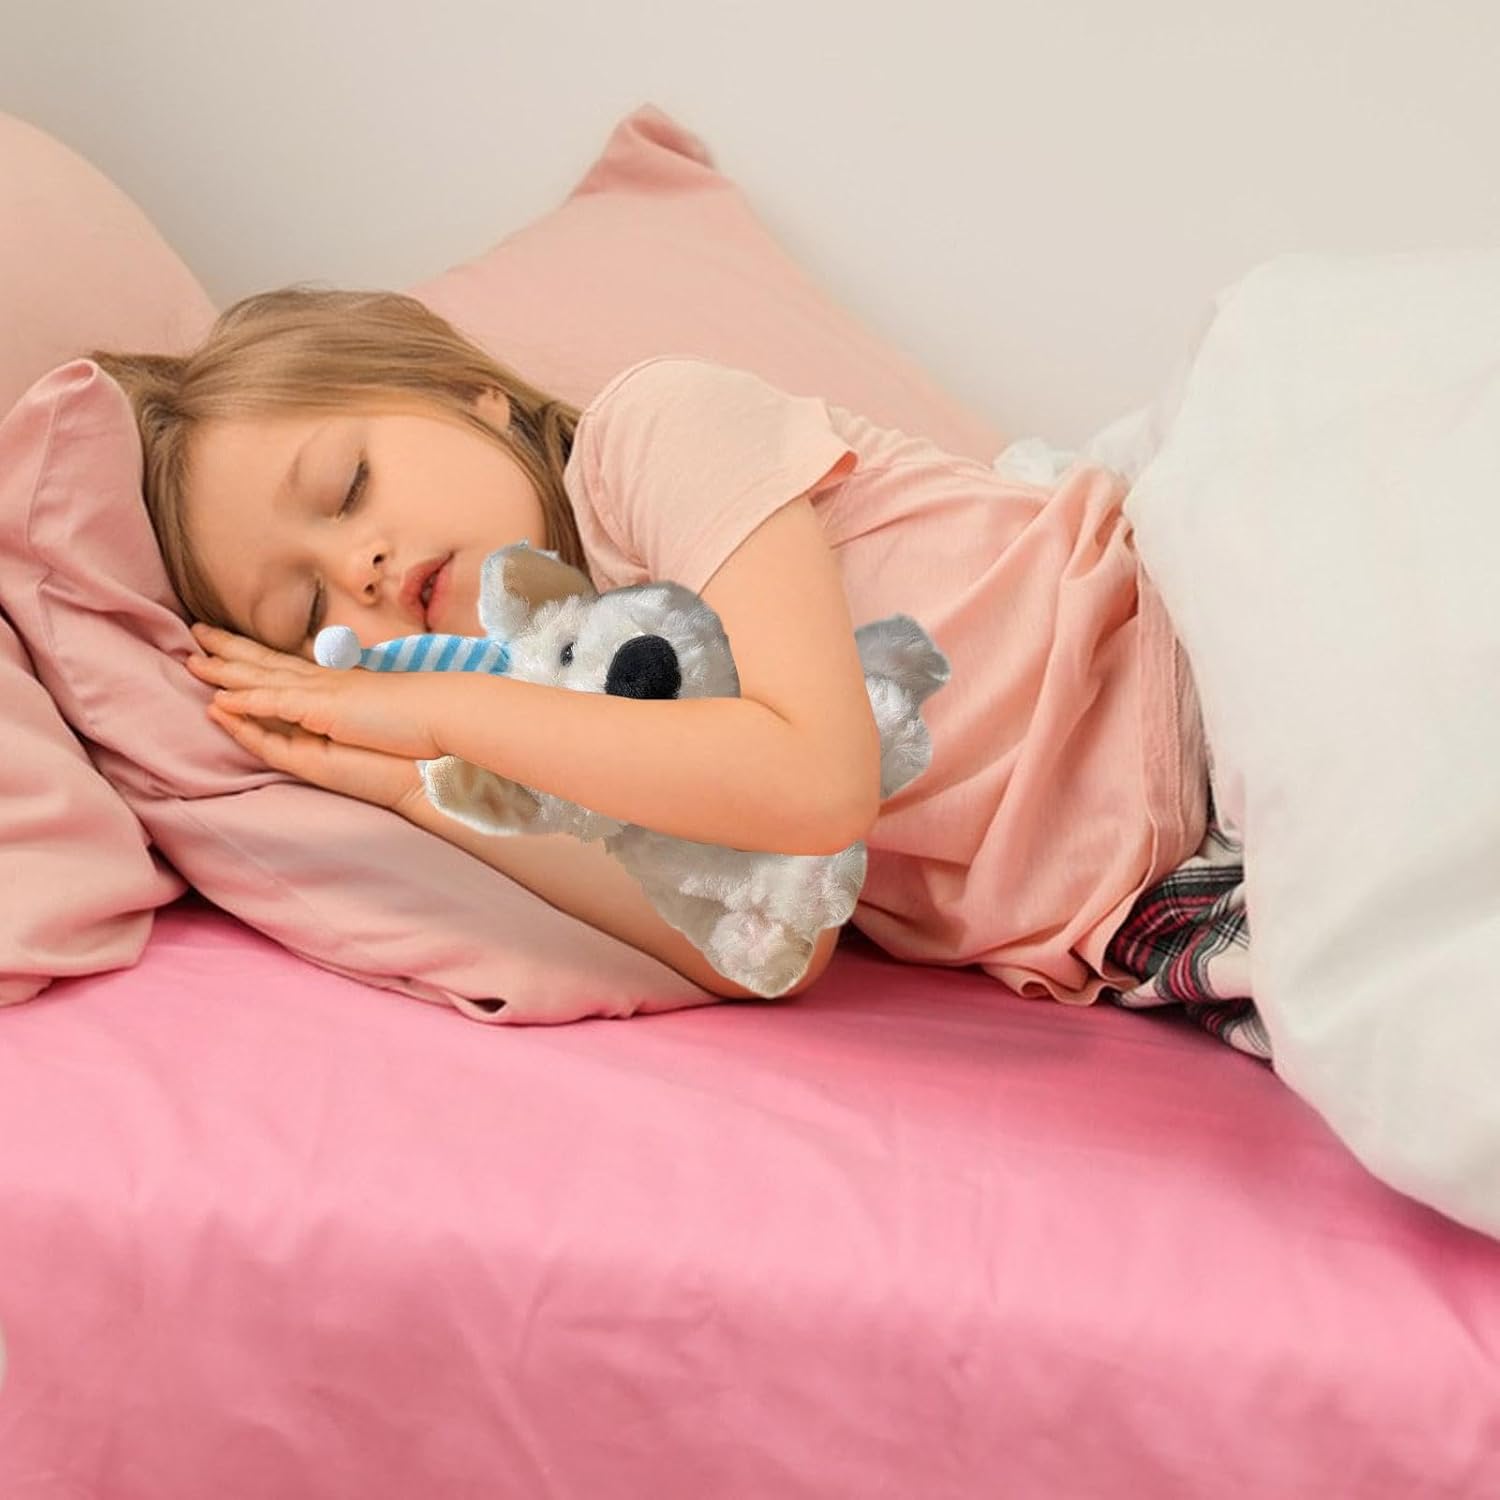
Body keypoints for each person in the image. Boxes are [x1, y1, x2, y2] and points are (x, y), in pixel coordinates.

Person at [92, 287, 1263, 1050]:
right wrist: (410, 785)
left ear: (468, 396)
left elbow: (815, 783)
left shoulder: (648, 436)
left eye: (348, 488)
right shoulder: (565, 717)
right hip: (1161, 908)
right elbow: (765, 950)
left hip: (1206, 690)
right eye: (309, 607)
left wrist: (441, 711)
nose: (364, 567)